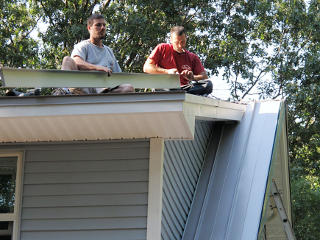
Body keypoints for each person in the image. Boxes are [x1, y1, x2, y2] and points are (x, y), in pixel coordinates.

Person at [56, 14, 134, 95]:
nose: (102, 27)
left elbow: (119, 76)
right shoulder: (83, 45)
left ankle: (104, 101)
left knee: (128, 88)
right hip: (82, 92)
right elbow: (77, 61)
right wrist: (98, 68)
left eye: (104, 25)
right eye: (98, 25)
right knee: (67, 60)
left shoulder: (109, 51)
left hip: (104, 93)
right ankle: (63, 91)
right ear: (89, 28)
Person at [143, 26, 212, 95]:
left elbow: (204, 77)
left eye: (182, 42)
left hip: (184, 88)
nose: (180, 45)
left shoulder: (192, 57)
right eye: (176, 42)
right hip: (165, 87)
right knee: (159, 87)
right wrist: (167, 72)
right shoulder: (162, 48)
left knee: (208, 85)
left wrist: (192, 77)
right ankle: (180, 93)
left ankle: (181, 93)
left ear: (186, 39)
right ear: (171, 40)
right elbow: (146, 68)